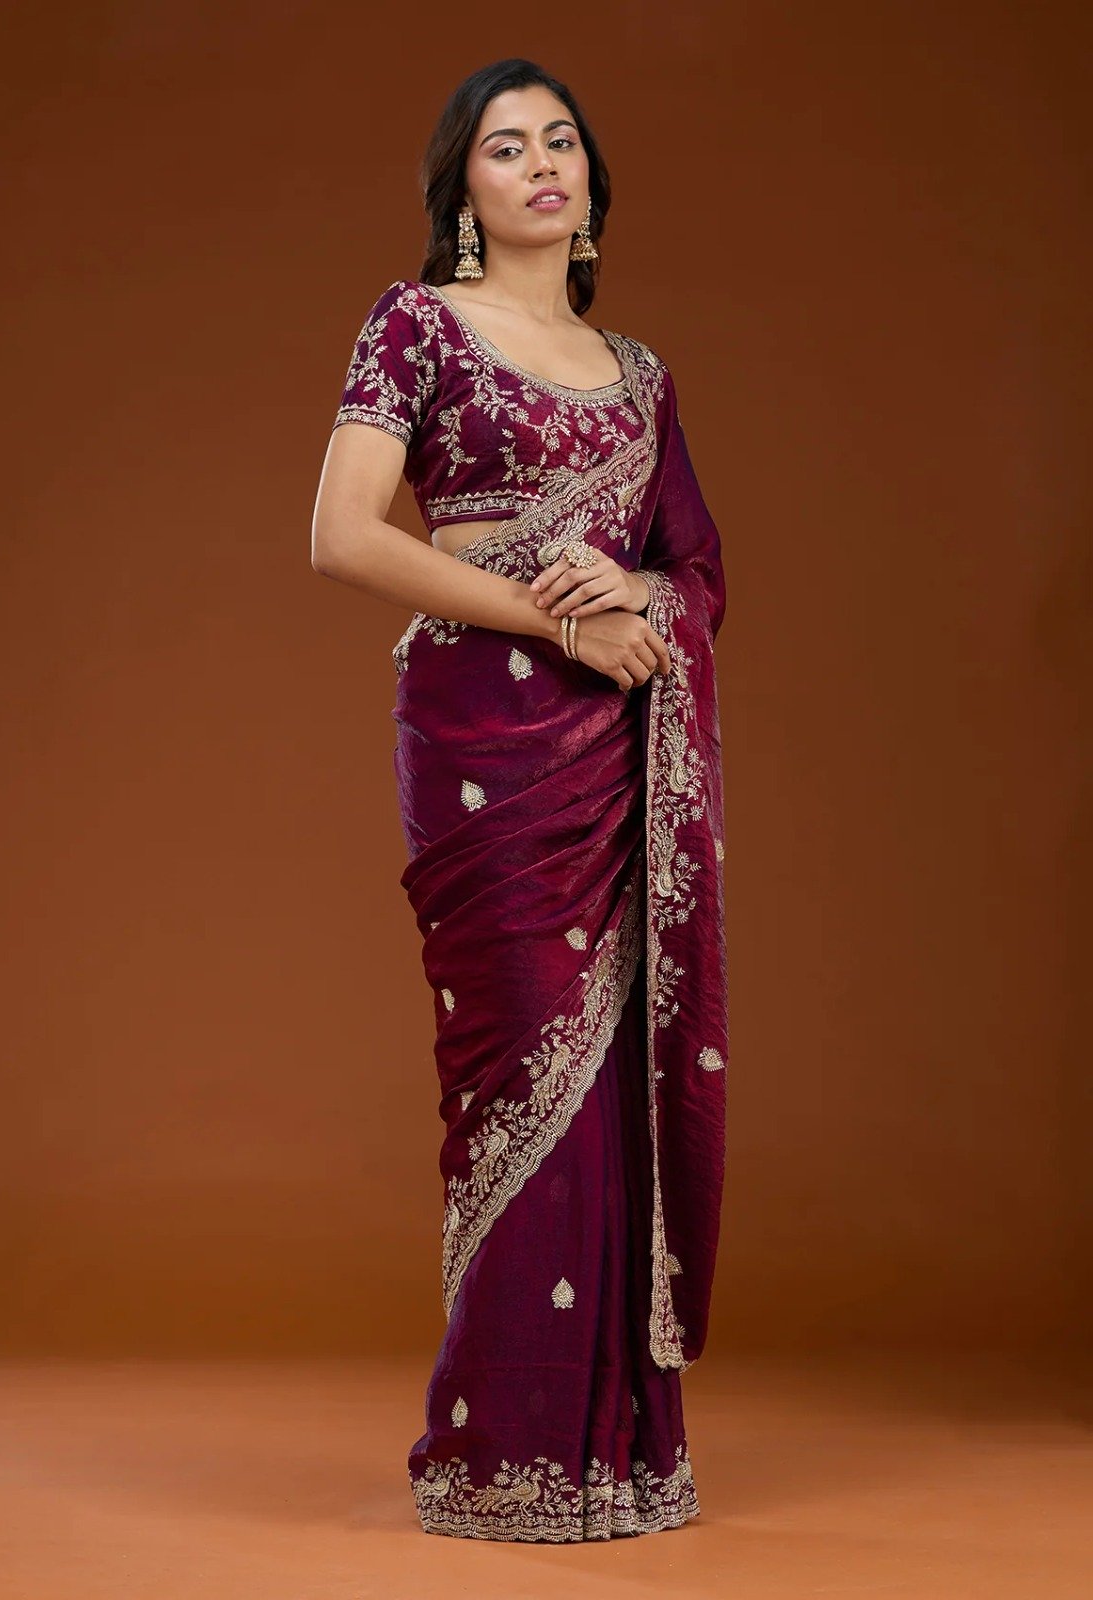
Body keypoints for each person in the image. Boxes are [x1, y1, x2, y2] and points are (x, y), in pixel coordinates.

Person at [310, 57, 729, 1542]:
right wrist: (561, 617)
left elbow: (696, 572)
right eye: (506, 146)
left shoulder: (642, 375)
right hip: (486, 741)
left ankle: (615, 1453)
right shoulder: (417, 324)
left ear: (590, 181)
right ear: (463, 189)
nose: (542, 161)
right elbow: (343, 533)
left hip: (616, 753)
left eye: (561, 140)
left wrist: (635, 598)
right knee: (512, 1078)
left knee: (610, 1086)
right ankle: (504, 1456)